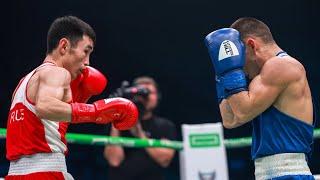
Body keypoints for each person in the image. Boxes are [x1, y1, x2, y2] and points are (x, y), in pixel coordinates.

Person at [5, 15, 138, 180]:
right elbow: (45, 107)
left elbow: (43, 125)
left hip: (15, 174)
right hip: (47, 174)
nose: (88, 62)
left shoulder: (25, 81)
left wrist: (79, 101)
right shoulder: (57, 72)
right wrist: (95, 112)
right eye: (86, 51)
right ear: (64, 46)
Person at [204, 17, 315, 179]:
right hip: (268, 174)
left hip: (288, 174)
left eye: (240, 57)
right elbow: (230, 120)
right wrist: (223, 72)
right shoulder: (262, 79)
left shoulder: (281, 66)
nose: (241, 67)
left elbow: (242, 111)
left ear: (251, 45)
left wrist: (229, 70)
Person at [104, 76, 177, 180]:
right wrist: (118, 120)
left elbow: (164, 160)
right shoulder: (115, 124)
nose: (145, 97)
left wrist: (140, 134)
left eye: (149, 93)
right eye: (141, 93)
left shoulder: (165, 125)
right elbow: (114, 161)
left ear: (157, 97)